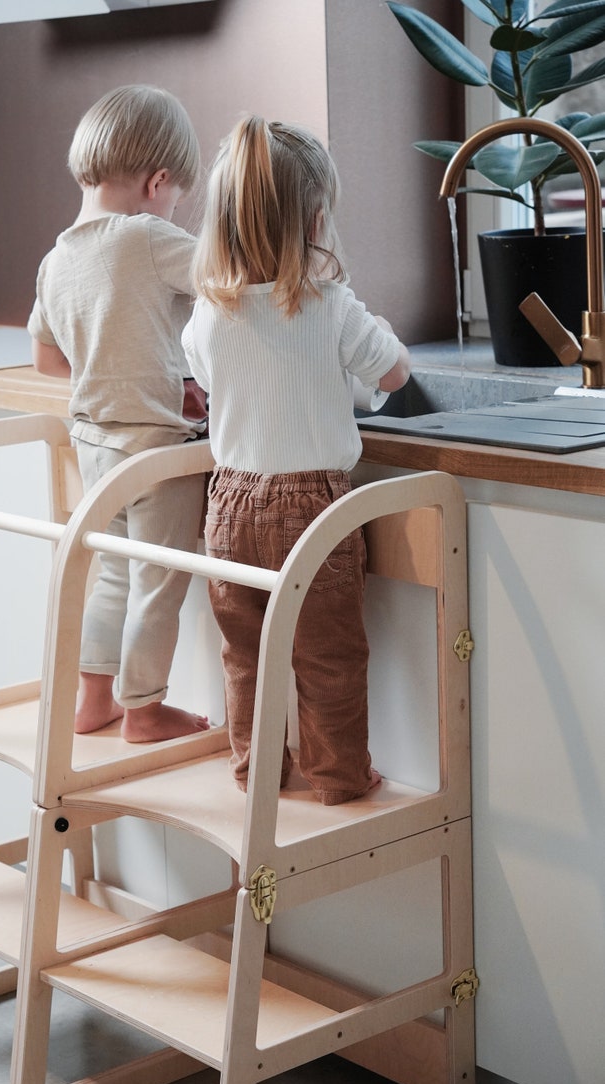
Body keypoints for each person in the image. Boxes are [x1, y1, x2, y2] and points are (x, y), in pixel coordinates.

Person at [182, 116, 411, 803]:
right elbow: (394, 374)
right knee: (327, 654)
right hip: (313, 511)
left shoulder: (208, 313)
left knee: (246, 654)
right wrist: (387, 342)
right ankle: (338, 775)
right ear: (315, 220)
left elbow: (216, 383)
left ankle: (258, 774)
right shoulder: (331, 305)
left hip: (229, 503)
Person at [28, 84, 209, 743]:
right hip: (157, 449)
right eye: (178, 199)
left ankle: (94, 699)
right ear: (158, 182)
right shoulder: (148, 236)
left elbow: (48, 360)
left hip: (95, 443)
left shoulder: (56, 259)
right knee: (157, 583)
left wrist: (133, 372)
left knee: (109, 572)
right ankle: (145, 709)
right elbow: (234, 281)